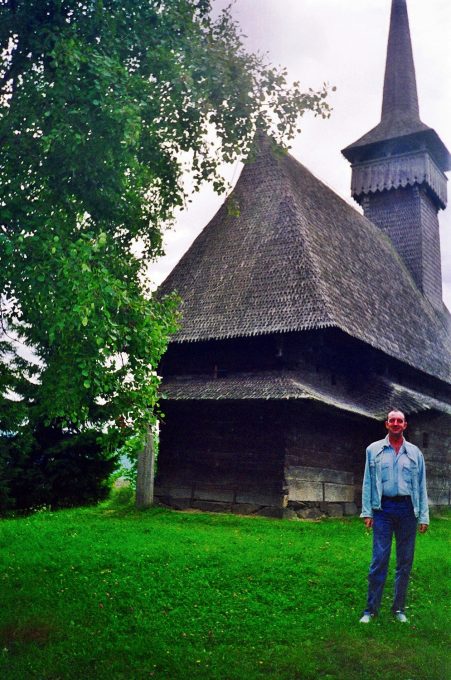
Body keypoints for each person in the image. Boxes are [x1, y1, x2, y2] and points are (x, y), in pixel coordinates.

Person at [359, 410, 429, 623]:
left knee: (405, 561)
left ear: (405, 425)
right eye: (392, 421)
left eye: (400, 421)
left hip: (408, 510)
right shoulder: (374, 450)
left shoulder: (415, 453)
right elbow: (368, 482)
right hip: (383, 510)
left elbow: (421, 485)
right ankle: (370, 610)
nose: (396, 423)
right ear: (386, 424)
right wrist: (367, 512)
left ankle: (398, 609)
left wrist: (423, 516)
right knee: (379, 560)